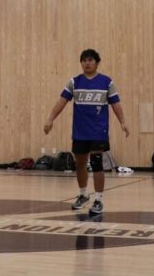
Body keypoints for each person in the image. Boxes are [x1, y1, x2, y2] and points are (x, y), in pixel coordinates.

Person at [43, 49, 129, 217]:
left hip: (98, 131)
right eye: (84, 60)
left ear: (96, 63)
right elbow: (61, 101)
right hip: (80, 132)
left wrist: (123, 122)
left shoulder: (107, 82)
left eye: (90, 60)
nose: (87, 63)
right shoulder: (74, 82)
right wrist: (50, 119)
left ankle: (98, 199)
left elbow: (116, 104)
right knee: (80, 164)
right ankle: (83, 194)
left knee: (96, 163)